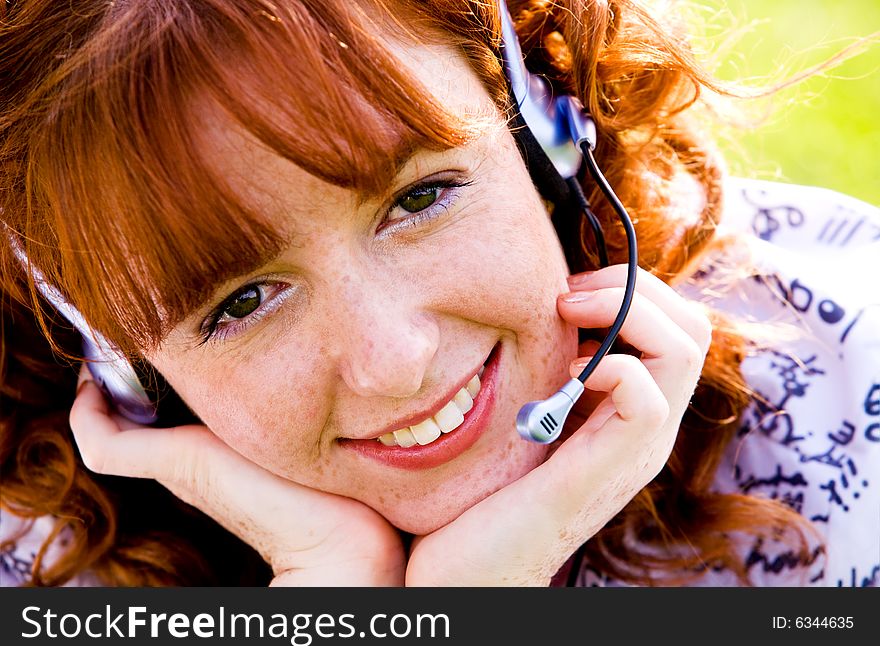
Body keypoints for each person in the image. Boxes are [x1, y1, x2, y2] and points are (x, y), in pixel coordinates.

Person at [1, 0, 877, 588]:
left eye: (419, 198)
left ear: (542, 128)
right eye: (240, 303)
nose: (397, 360)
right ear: (123, 371)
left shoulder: (847, 366)